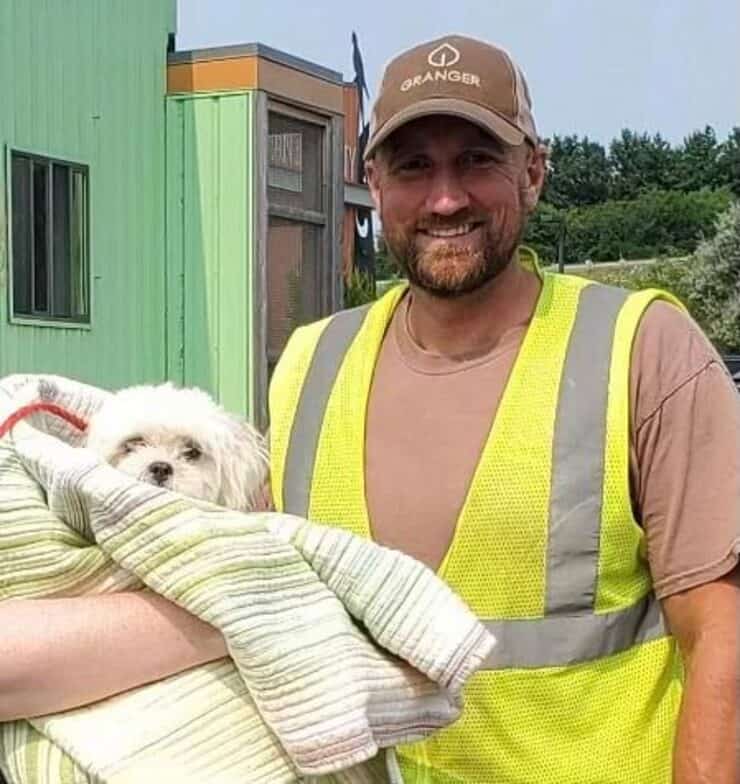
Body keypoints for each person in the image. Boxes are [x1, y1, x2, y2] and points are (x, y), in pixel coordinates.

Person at [1, 33, 738, 784]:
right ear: (373, 183)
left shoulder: (640, 348)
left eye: (477, 160)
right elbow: (243, 581)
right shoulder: (313, 362)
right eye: (414, 166)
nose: (445, 197)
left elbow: (724, 635)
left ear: (533, 172)